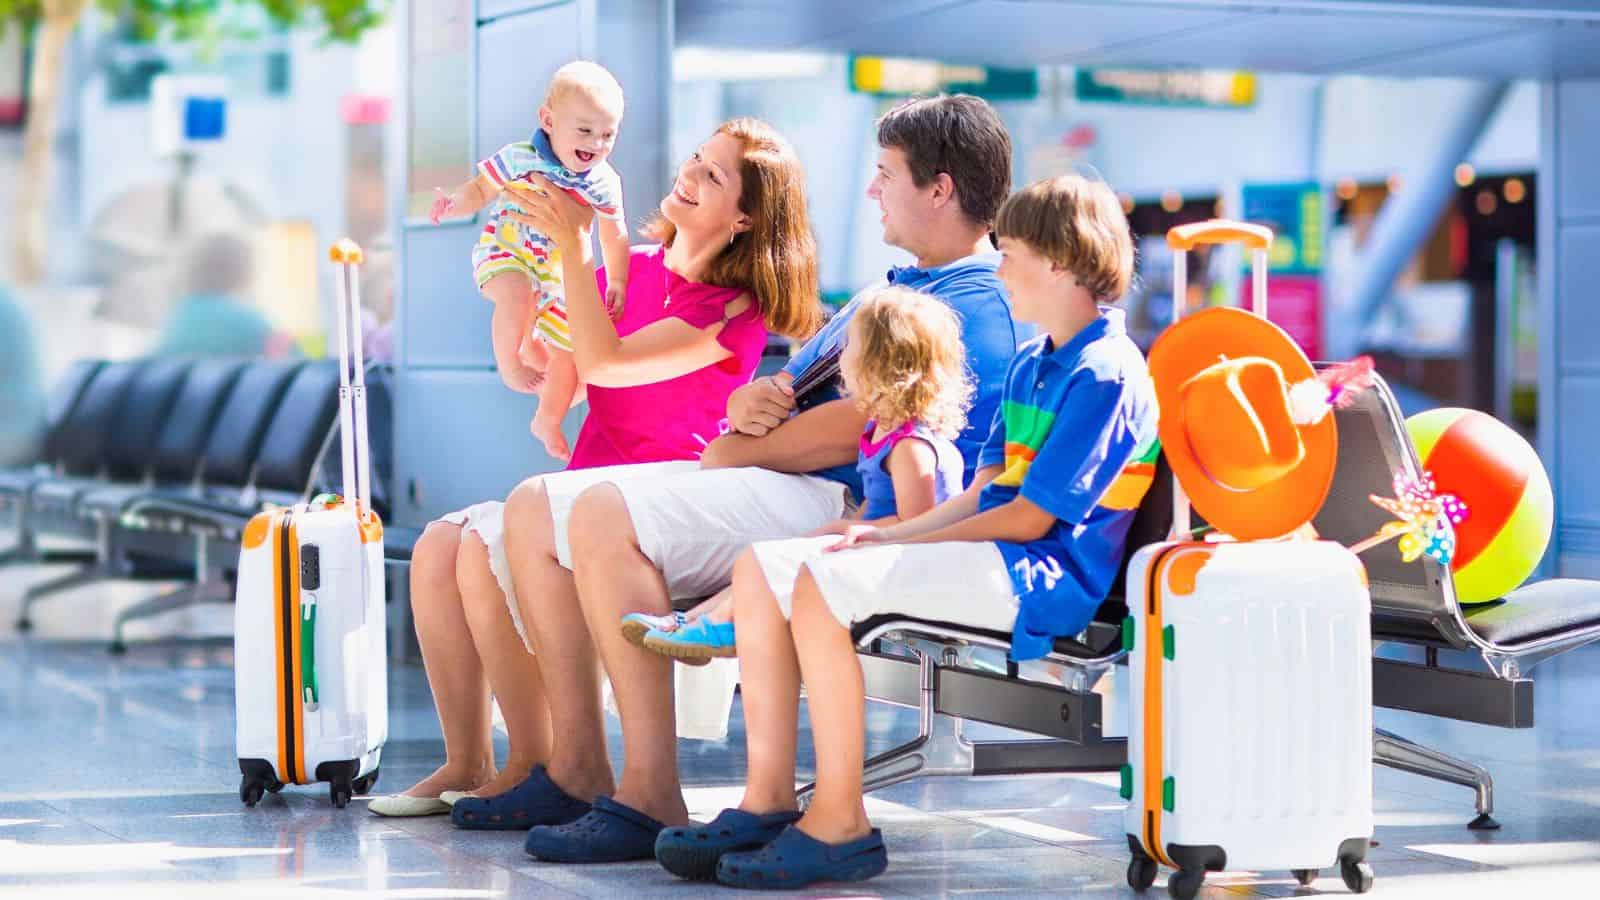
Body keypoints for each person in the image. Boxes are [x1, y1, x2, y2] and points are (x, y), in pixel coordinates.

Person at [496, 93, 1021, 864]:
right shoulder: (894, 291)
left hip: (844, 495)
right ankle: (585, 768)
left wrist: (744, 448)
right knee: (541, 510)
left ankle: (647, 790)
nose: (872, 189)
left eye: (886, 175)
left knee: (601, 513)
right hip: (791, 474)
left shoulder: (973, 308)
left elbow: (873, 422)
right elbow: (786, 389)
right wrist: (749, 407)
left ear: (939, 189)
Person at [694, 174, 1161, 890]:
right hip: (996, 552)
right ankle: (769, 800)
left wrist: (899, 542)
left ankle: (840, 823)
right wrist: (888, 536)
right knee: (766, 567)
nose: (1000, 267)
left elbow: (1031, 518)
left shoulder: (1106, 372)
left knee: (819, 581)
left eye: (1014, 255)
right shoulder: (1036, 364)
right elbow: (981, 492)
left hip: (1039, 579)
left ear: (1062, 263)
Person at [367, 118, 821, 820]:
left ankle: (543, 763)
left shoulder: (734, 309)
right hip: (581, 484)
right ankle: (473, 761)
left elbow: (611, 361)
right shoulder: (629, 268)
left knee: (481, 548)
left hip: (654, 500)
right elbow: (574, 370)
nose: (689, 176)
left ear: (746, 218)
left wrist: (575, 254)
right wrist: (523, 333)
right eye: (695, 160)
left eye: (713, 175)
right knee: (438, 546)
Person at [627, 285, 969, 662]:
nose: (842, 358)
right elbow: (878, 507)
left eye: (851, 347)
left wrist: (852, 533)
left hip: (908, 563)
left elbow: (918, 525)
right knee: (768, 556)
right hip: (881, 547)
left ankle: (715, 625)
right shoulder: (883, 435)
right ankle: (693, 621)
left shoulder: (911, 448)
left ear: (878, 361)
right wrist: (849, 527)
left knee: (772, 562)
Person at [429, 60, 632, 462]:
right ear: (548, 120)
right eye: (586, 130)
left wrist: (618, 280)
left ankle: (548, 418)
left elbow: (614, 230)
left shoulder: (604, 181)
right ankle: (510, 362)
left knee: (571, 352)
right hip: (507, 253)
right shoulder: (520, 158)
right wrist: (455, 203)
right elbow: (481, 188)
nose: (597, 143)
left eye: (608, 134)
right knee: (518, 296)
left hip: (557, 278)